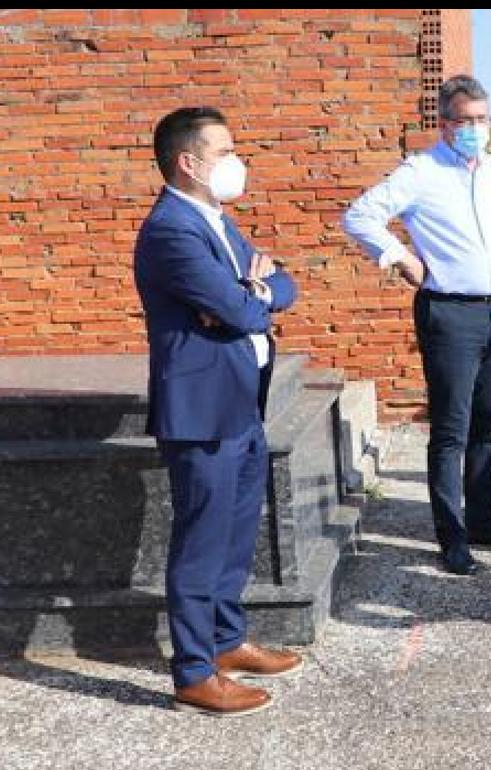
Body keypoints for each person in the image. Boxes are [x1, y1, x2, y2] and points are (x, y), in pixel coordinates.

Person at [343, 75, 491, 577]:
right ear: (444, 123)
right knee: (451, 430)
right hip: (449, 314)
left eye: (482, 120)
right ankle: (452, 536)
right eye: (464, 121)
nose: (474, 129)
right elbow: (359, 216)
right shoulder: (420, 172)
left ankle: (484, 521)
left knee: (490, 425)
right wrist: (399, 256)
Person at [134, 107, 301, 716]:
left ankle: (226, 641)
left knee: (234, 533)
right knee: (201, 541)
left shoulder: (218, 221)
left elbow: (283, 286)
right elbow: (239, 313)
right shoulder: (171, 230)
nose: (236, 162)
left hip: (240, 403)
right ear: (189, 161)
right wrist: (247, 298)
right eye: (226, 151)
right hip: (202, 410)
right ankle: (193, 670)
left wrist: (253, 290)